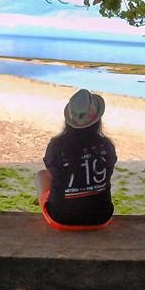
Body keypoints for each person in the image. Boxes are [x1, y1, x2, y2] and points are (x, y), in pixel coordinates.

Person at [36, 88, 117, 230]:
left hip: (60, 218)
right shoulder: (106, 146)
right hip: (102, 217)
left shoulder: (56, 146)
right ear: (97, 121)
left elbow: (51, 176)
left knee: (41, 175)